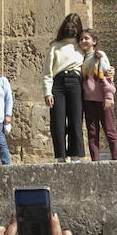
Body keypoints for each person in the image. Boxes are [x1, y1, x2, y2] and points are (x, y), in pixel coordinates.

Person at [44, 12, 86, 162]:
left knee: (76, 120)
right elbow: (47, 72)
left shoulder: (81, 46)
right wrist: (47, 92)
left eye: (74, 27)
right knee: (58, 121)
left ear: (78, 28)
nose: (70, 29)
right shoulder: (55, 46)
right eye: (68, 27)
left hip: (75, 82)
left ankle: (75, 156)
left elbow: (93, 58)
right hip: (58, 84)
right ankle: (61, 156)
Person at [79, 29, 117, 161]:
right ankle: (95, 162)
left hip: (103, 100)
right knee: (92, 133)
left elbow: (106, 76)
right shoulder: (81, 58)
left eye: (86, 38)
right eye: (81, 39)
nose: (83, 41)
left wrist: (108, 96)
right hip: (88, 101)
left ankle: (116, 160)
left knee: (110, 131)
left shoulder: (99, 55)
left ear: (94, 41)